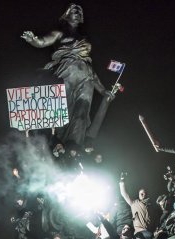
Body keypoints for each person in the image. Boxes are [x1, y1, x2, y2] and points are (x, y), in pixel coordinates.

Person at [21, 4, 115, 150]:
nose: (77, 13)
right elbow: (43, 42)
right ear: (67, 14)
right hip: (66, 72)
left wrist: (102, 90)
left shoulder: (85, 37)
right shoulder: (59, 32)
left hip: (86, 77)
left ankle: (74, 148)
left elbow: (90, 69)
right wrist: (33, 39)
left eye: (80, 11)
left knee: (82, 114)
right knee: (61, 112)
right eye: (74, 10)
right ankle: (57, 146)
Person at [119, 173, 158, 239]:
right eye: (141, 193)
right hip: (139, 232)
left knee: (152, 238)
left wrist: (157, 229)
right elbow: (124, 193)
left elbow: (156, 219)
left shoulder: (152, 206)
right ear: (139, 195)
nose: (143, 195)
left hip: (149, 231)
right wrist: (122, 181)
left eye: (145, 193)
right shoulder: (134, 203)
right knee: (149, 236)